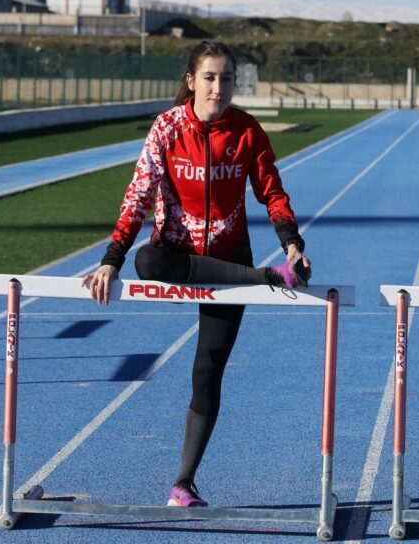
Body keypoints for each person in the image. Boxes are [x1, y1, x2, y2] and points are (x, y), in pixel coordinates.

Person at [83, 40, 310, 508]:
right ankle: (259, 277)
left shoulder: (246, 130)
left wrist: (293, 244)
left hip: (230, 261)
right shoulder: (166, 129)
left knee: (208, 372)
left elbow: (272, 191)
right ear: (191, 80)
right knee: (149, 261)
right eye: (210, 77)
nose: (219, 87)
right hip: (194, 261)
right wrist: (111, 259)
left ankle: (183, 484)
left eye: (227, 78)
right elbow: (138, 196)